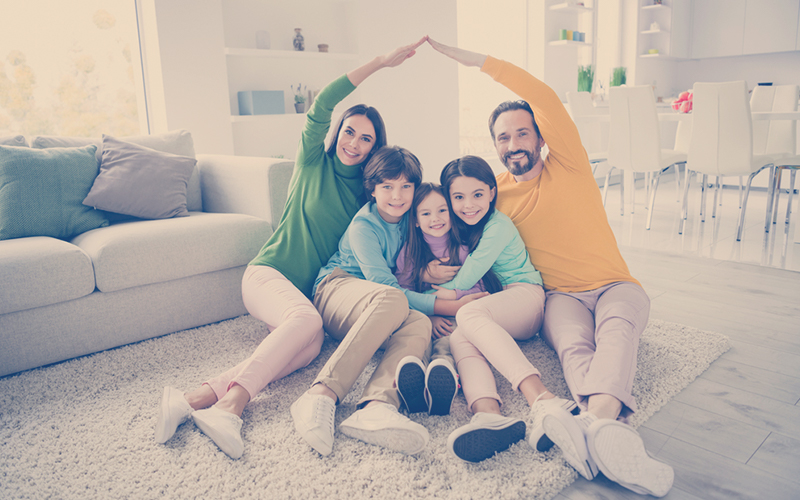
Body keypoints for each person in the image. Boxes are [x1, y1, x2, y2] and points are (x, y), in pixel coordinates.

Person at [153, 38, 425, 460]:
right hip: (268, 274)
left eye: (366, 139)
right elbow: (322, 106)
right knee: (305, 321)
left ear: (376, 148)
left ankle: (190, 400)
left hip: (308, 295)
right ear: (337, 132)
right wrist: (378, 64)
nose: (353, 142)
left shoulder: (370, 194)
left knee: (309, 344)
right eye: (349, 131)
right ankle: (231, 406)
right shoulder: (312, 160)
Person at [426, 38, 674, 497]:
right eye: (503, 137)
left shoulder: (570, 165)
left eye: (523, 133)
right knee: (571, 347)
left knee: (617, 332)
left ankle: (599, 422)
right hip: (558, 297)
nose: (514, 143)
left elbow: (540, 94)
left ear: (540, 137)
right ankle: (597, 428)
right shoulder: (493, 193)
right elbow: (449, 216)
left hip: (615, 284)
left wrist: (478, 60)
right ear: (495, 145)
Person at [291, 146, 486, 457]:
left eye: (406, 186)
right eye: (387, 187)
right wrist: (450, 307)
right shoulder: (363, 227)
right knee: (396, 299)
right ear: (372, 189)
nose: (398, 195)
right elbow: (386, 286)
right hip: (337, 289)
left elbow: (410, 269)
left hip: (383, 306)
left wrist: (427, 276)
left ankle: (377, 405)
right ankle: (321, 393)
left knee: (420, 323)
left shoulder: (412, 216)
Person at [424, 156, 555, 463]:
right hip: (500, 306)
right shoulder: (461, 225)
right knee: (460, 339)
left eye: (477, 195)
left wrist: (432, 289)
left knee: (467, 315)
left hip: (526, 298)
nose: (468, 205)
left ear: (492, 193)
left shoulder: (498, 226)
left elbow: (467, 276)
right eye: (458, 197)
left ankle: (541, 397)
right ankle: (489, 415)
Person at [392, 182, 482, 416]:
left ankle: (444, 377)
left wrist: (454, 300)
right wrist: (429, 316)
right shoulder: (409, 253)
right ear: (415, 219)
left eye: (442, 210)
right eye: (426, 213)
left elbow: (479, 287)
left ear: (451, 212)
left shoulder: (462, 250)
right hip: (423, 317)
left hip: (454, 318)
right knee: (418, 342)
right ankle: (414, 385)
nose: (436, 218)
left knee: (446, 344)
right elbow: (402, 292)